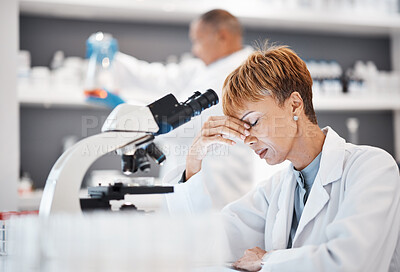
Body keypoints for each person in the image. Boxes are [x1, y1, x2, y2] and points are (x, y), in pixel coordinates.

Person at [165, 44, 400, 271]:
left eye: (253, 122)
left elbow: (349, 262)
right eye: (242, 130)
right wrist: (193, 161)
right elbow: (207, 245)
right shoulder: (275, 191)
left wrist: (268, 261)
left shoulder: (373, 168)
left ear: (295, 105)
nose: (247, 140)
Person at [90, 9, 272, 209]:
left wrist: (127, 111)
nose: (195, 50)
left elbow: (184, 126)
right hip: (188, 185)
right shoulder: (202, 68)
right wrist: (113, 60)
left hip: (218, 191)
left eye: (198, 41)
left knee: (214, 234)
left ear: (221, 37)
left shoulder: (240, 75)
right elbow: (159, 76)